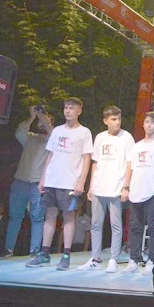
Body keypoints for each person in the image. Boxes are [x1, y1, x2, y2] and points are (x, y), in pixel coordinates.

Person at [26, 97, 93, 270]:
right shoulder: (57, 131)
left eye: (72, 108)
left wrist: (81, 181)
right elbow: (50, 155)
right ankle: (44, 253)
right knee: (49, 215)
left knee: (68, 217)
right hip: (52, 180)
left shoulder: (84, 132)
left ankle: (66, 255)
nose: (68, 111)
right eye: (66, 108)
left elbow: (87, 158)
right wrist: (43, 178)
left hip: (70, 181)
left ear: (79, 111)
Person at [78, 105, 135, 273]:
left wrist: (126, 187)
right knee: (96, 224)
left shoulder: (127, 137)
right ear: (105, 121)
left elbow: (130, 164)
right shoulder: (100, 137)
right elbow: (95, 162)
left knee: (116, 225)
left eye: (119, 119)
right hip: (99, 187)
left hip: (116, 188)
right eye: (113, 119)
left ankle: (113, 259)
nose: (117, 122)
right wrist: (91, 186)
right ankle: (95, 258)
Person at [0, 106, 54, 259]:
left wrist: (42, 115)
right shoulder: (30, 137)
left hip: (38, 183)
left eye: (45, 120)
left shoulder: (53, 139)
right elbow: (19, 131)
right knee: (15, 216)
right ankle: (8, 249)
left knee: (37, 218)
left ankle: (34, 251)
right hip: (21, 181)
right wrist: (32, 116)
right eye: (39, 121)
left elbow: (50, 130)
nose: (42, 123)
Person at [122, 111, 154, 275]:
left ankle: (152, 260)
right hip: (136, 190)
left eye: (153, 123)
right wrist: (126, 187)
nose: (149, 125)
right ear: (143, 124)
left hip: (152, 190)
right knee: (135, 227)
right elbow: (130, 167)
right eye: (147, 122)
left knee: (153, 227)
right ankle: (134, 259)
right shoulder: (137, 146)